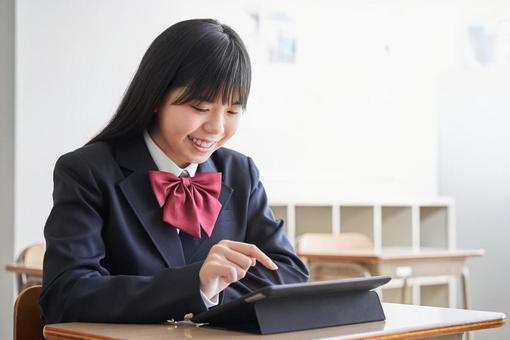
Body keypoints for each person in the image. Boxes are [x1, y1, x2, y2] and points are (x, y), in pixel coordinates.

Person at [39, 18, 309, 323]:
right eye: (200, 108)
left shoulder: (240, 172)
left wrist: (212, 294)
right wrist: (194, 284)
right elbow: (67, 294)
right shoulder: (87, 171)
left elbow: (289, 273)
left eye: (232, 111)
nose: (216, 128)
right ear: (155, 97)